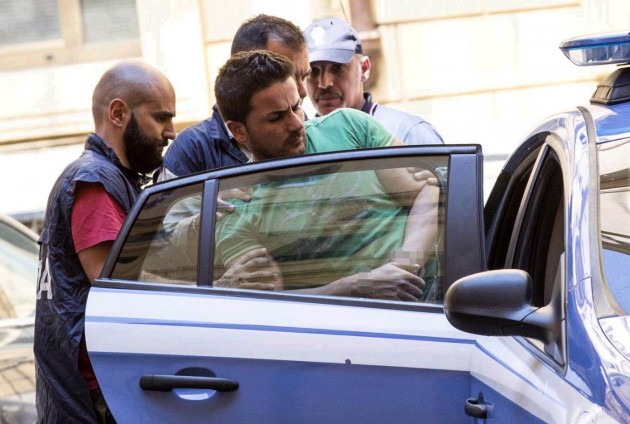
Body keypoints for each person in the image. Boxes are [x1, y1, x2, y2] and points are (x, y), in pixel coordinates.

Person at [211, 50, 440, 301]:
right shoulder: (233, 209)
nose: (297, 124)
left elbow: (426, 189)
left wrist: (404, 266)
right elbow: (271, 303)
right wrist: (358, 286)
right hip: (338, 323)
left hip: (433, 303)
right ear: (238, 130)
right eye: (276, 117)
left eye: (296, 107)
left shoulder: (349, 126)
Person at [34, 60, 176, 423]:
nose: (171, 132)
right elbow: (113, 281)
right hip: (99, 391)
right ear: (118, 113)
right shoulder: (95, 180)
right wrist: (209, 290)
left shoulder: (111, 177)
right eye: (161, 117)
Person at [157, 14, 310, 181]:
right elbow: (168, 199)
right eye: (274, 68)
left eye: (304, 76)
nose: (302, 91)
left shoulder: (311, 131)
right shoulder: (192, 150)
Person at [303, 16, 444, 145]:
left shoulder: (407, 133)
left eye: (338, 67)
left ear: (364, 69)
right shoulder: (303, 144)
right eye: (312, 71)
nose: (324, 83)